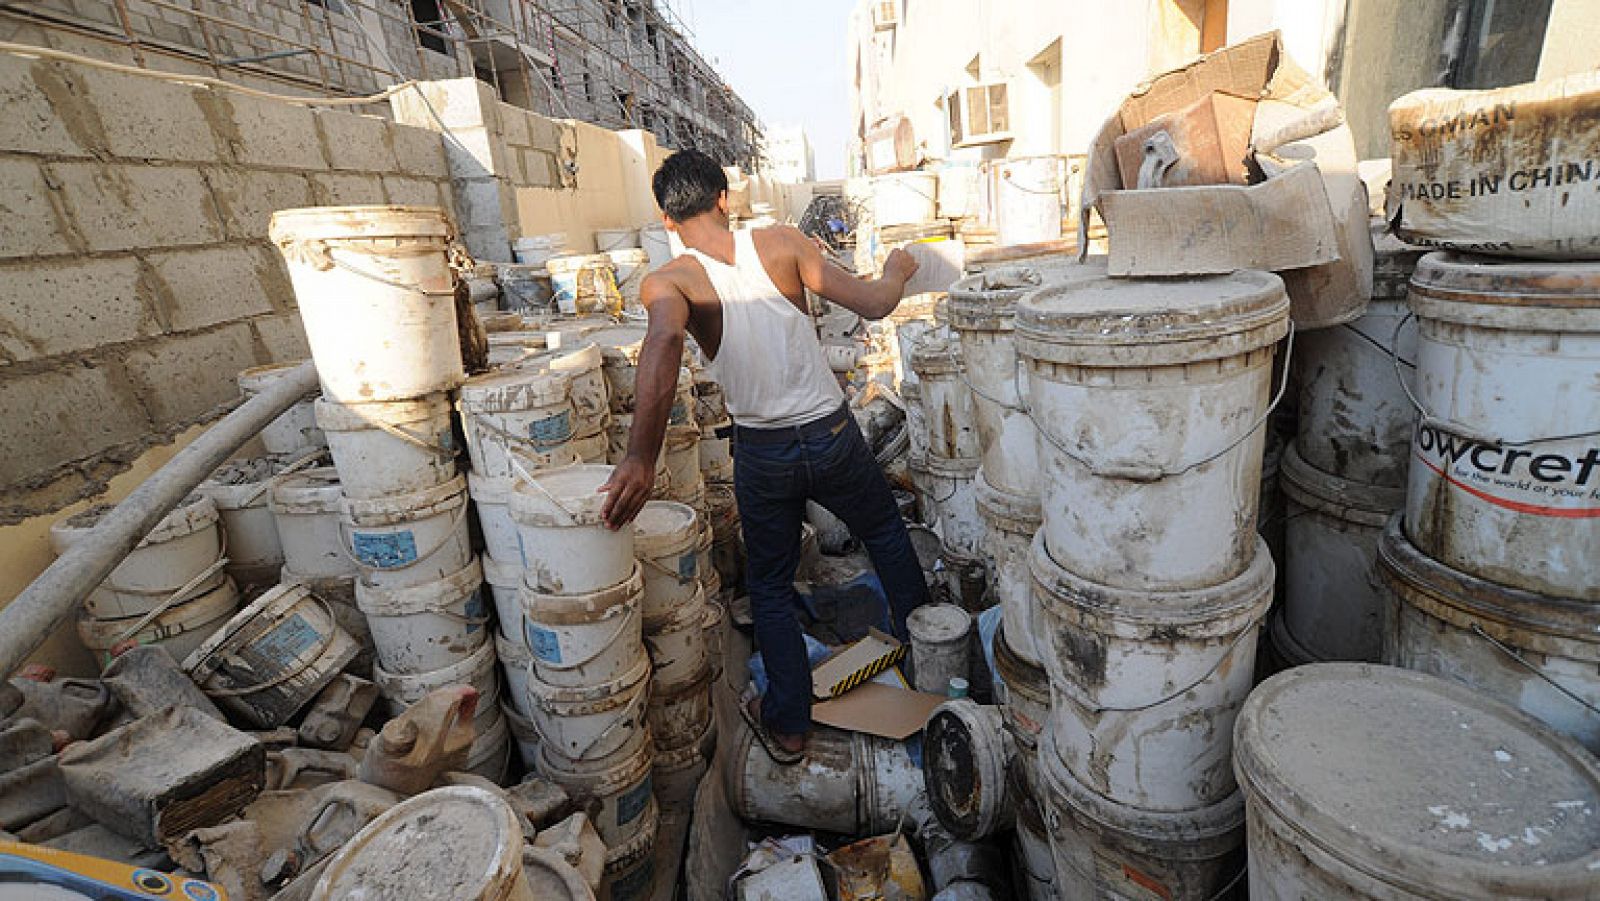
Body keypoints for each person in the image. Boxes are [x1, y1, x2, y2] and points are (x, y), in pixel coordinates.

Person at [600, 150, 932, 763]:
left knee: (772, 587)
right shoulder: (783, 243)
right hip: (832, 434)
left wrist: (639, 459)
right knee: (885, 533)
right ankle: (934, 661)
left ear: (666, 220)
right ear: (725, 199)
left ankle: (788, 724)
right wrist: (897, 267)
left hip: (763, 451)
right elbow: (877, 304)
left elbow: (664, 338)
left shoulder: (670, 281)